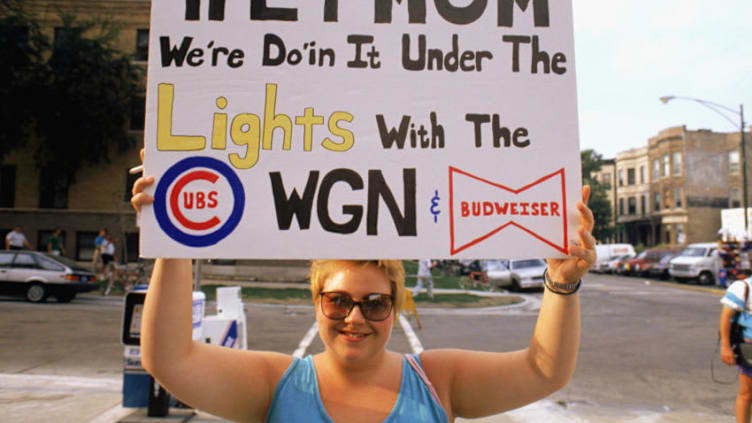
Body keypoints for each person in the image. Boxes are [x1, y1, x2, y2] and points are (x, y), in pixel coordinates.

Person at [130, 150, 596, 422]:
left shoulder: (437, 382)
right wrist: (173, 234)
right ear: (317, 302)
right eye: (338, 301)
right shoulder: (275, 385)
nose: (355, 318)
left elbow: (543, 372)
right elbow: (169, 360)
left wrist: (559, 284)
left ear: (394, 307)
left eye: (374, 303)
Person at [720, 278, 752, 422]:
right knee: (747, 393)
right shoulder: (743, 287)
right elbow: (725, 317)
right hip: (749, 345)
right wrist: (725, 346)